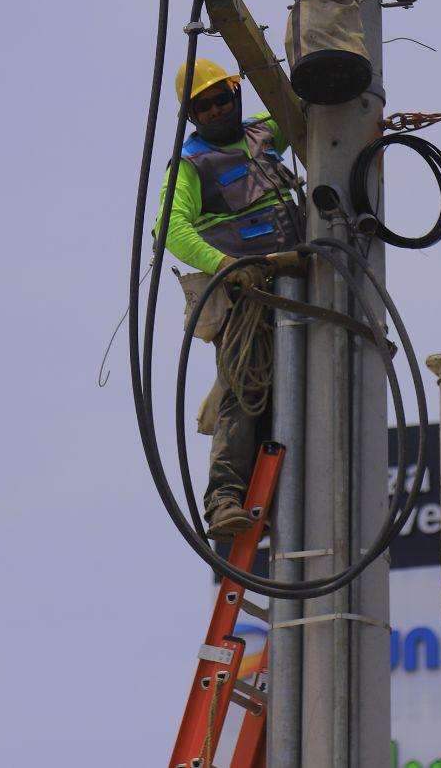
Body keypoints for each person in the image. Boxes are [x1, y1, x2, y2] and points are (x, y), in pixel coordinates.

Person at [156, 57, 303, 539]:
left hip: (304, 282)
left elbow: (309, 108)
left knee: (318, 378)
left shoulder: (264, 134)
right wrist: (225, 267)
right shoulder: (192, 164)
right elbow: (169, 229)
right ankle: (224, 497)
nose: (217, 109)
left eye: (223, 98)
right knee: (246, 389)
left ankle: (287, 498)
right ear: (192, 115)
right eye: (205, 105)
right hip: (249, 294)